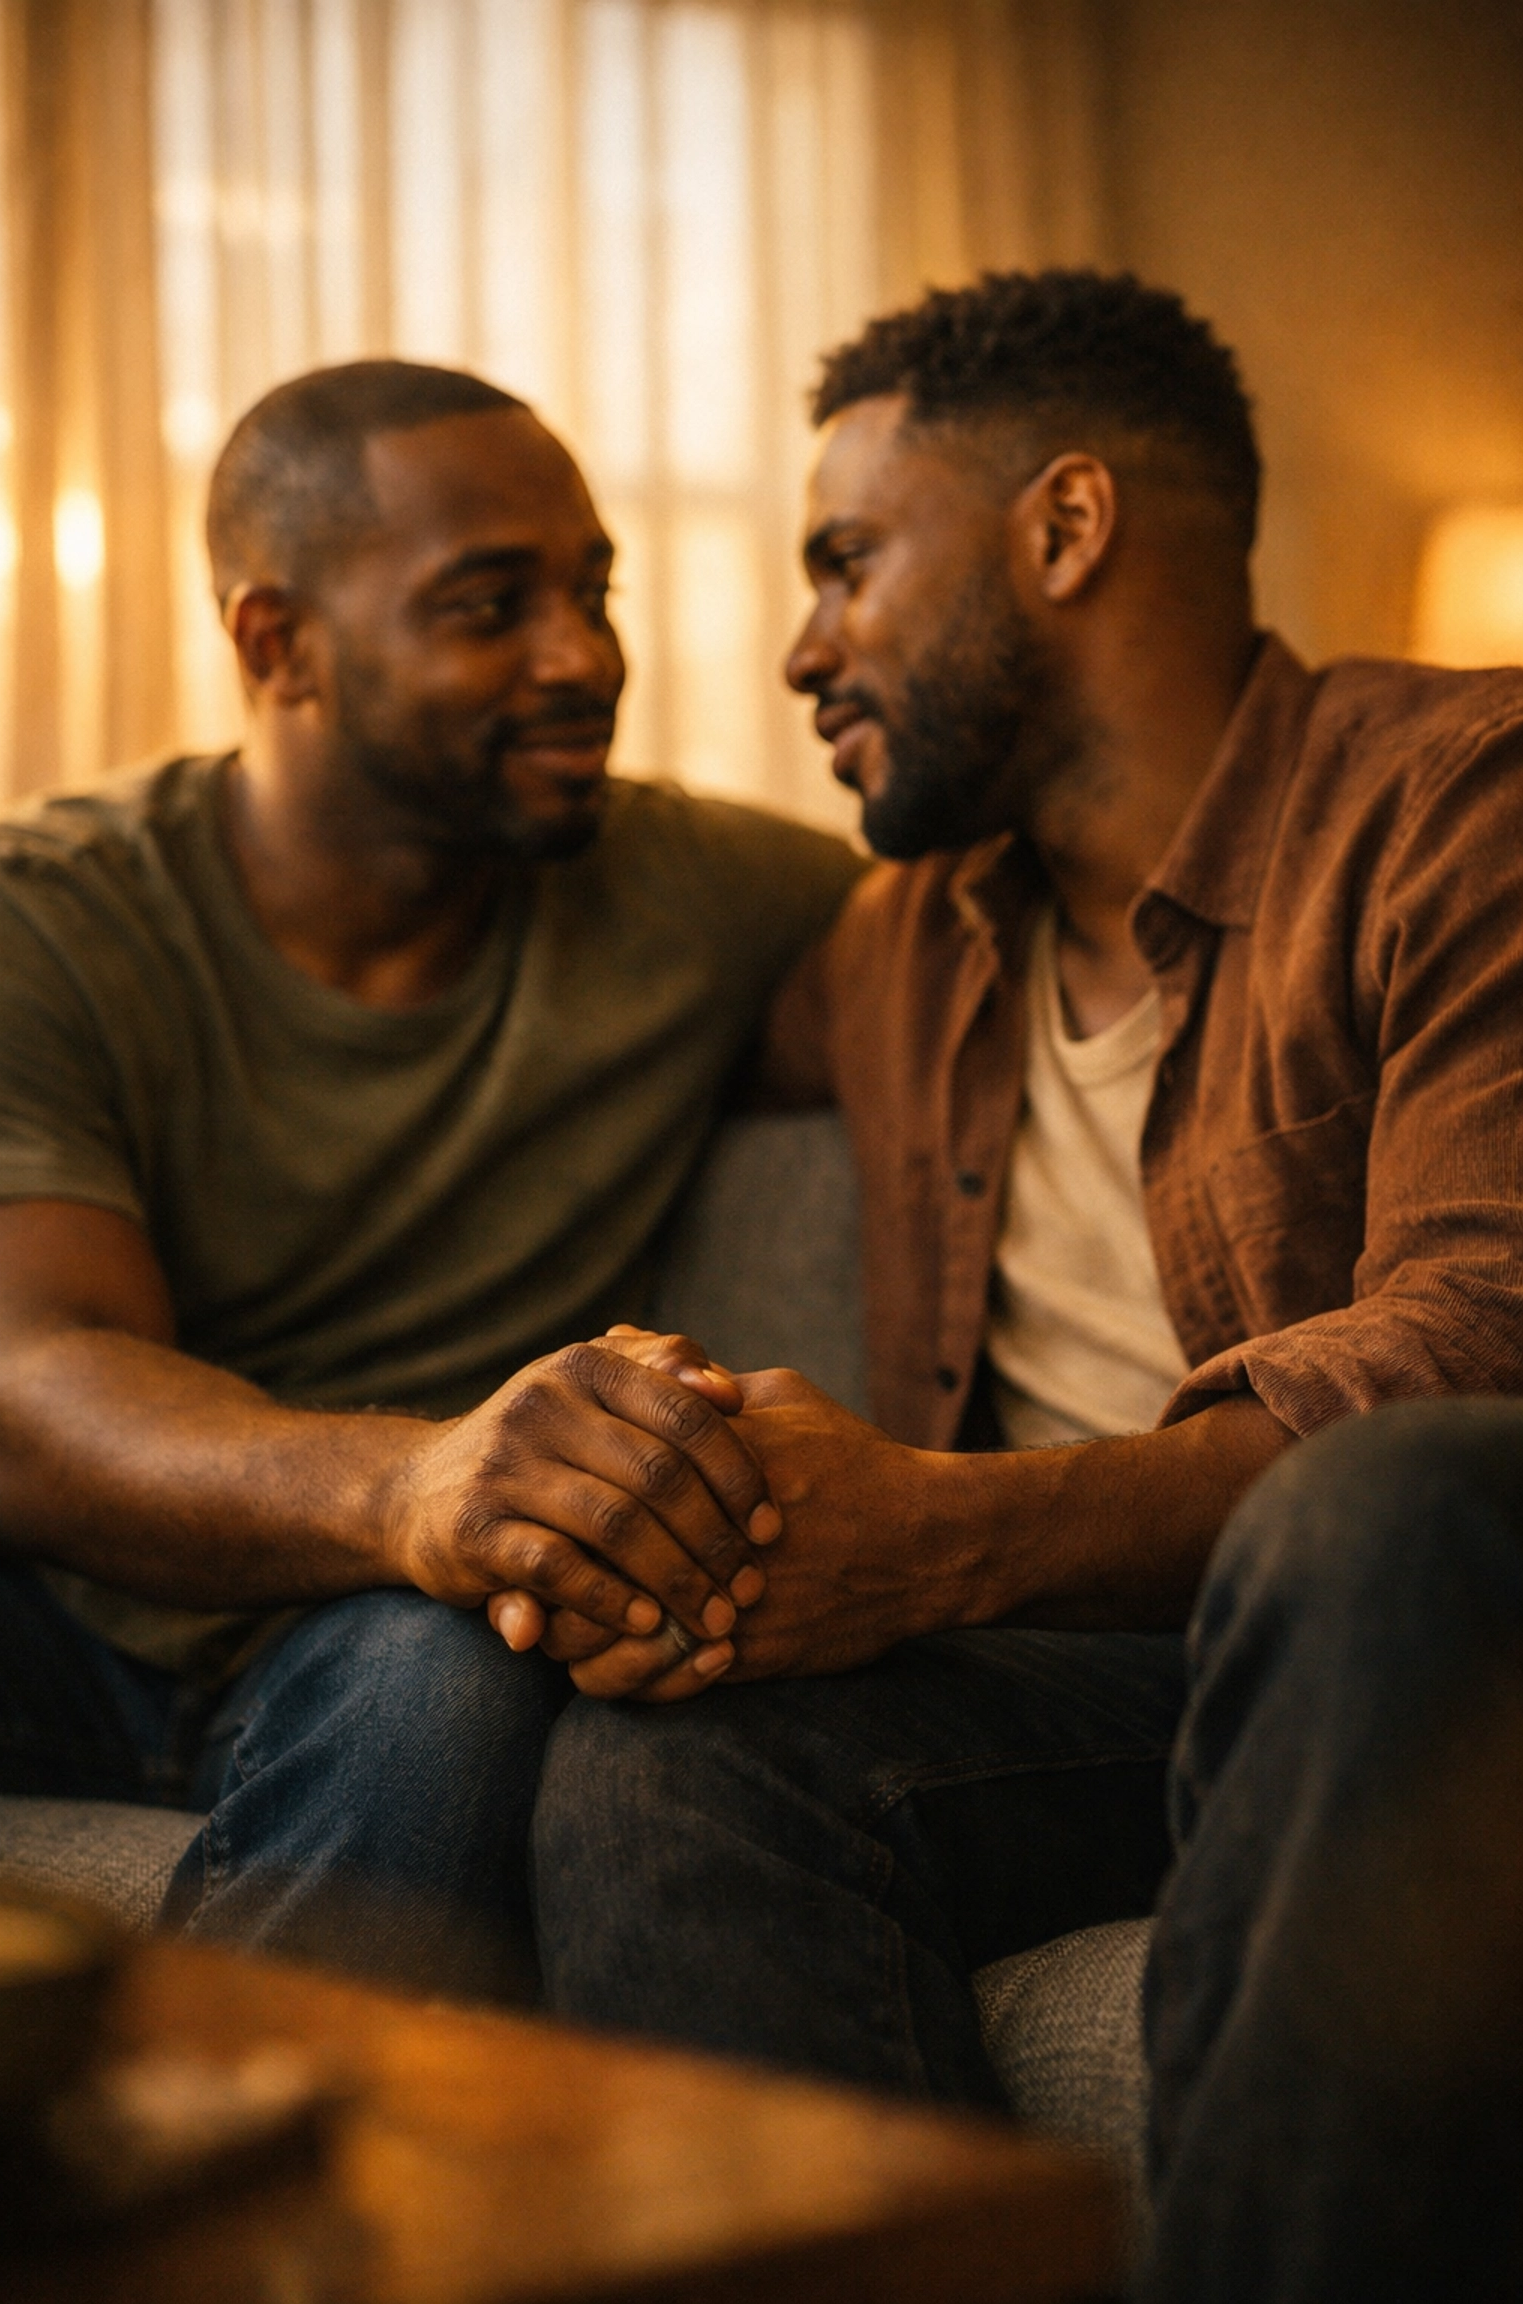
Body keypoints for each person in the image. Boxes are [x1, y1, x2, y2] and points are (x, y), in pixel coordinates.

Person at [510, 273, 1523, 2298]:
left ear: (1065, 529)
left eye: (847, 563)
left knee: (1387, 1500)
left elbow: (1482, 1345)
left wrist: (940, 1536)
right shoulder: (896, 947)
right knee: (669, 1756)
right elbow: (566, 1001)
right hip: (1120, 1682)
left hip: (1422, 1655)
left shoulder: (1459, 801)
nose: (800, 648)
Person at [0, 358, 861, 1994]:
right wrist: (417, 1486)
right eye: (488, 605)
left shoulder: (699, 892)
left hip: (368, 1643)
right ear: (277, 643)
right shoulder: (43, 919)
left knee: (450, 1675)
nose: (583, 658)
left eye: (595, 591)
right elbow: (27, 1390)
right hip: (54, 1620)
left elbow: (982, 959)